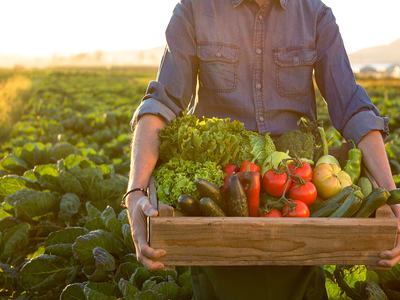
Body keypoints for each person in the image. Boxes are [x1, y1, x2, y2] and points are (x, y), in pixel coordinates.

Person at [125, 0, 399, 299]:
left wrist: (392, 198)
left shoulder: (315, 15)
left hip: (298, 195)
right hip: (218, 201)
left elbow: (353, 109)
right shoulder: (195, 9)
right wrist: (135, 192)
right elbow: (160, 104)